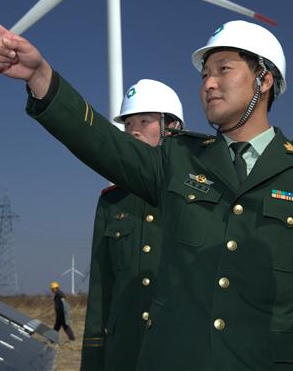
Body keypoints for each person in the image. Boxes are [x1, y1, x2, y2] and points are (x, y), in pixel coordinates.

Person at [0, 13, 293, 370]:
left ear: (264, 80)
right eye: (204, 75)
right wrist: (41, 77)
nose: (208, 83)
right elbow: (102, 142)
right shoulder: (176, 159)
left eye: (222, 70)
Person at [81, 79, 185, 371]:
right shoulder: (112, 202)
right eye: (128, 124)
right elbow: (102, 289)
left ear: (172, 127)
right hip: (124, 353)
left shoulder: (196, 195)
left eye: (144, 120)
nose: (133, 130)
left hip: (179, 352)